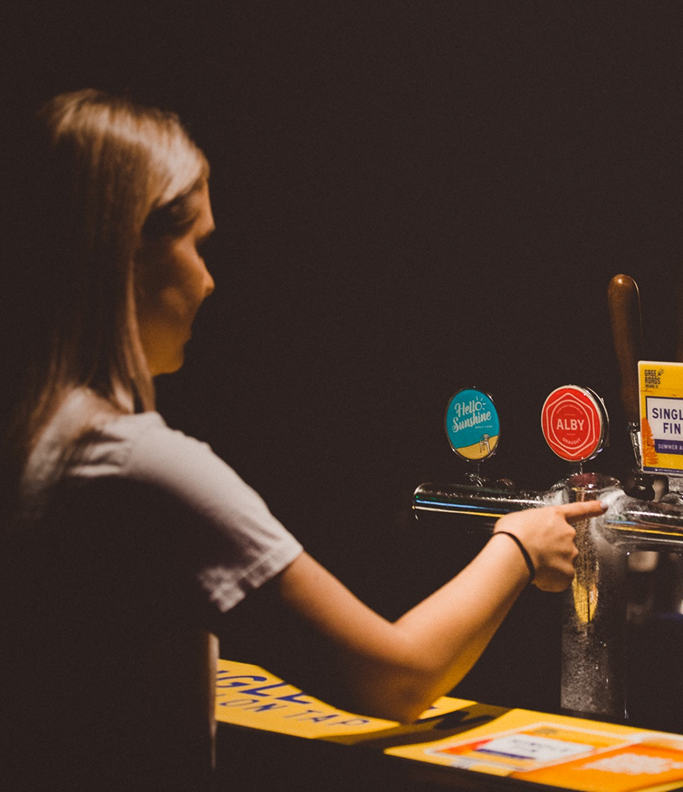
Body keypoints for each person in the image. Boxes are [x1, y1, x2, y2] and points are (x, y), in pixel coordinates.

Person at [0, 89, 605, 791]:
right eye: (196, 243)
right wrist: (520, 546)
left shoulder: (37, 442)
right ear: (127, 253)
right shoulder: (141, 468)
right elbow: (397, 677)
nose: (208, 279)